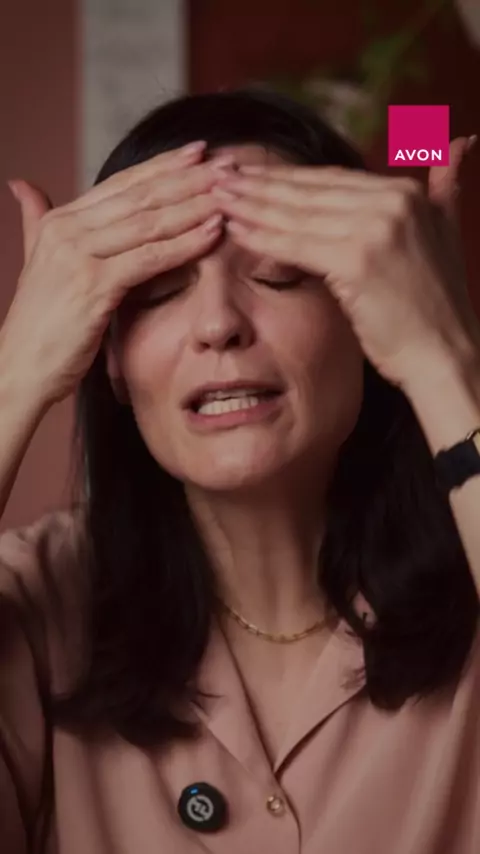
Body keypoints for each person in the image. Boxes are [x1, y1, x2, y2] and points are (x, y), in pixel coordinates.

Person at [0, 88, 479, 854]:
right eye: (161, 289)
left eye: (280, 275)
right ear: (107, 356)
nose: (220, 323)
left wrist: (442, 356)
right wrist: (15, 375)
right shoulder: (35, 603)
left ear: (371, 322)